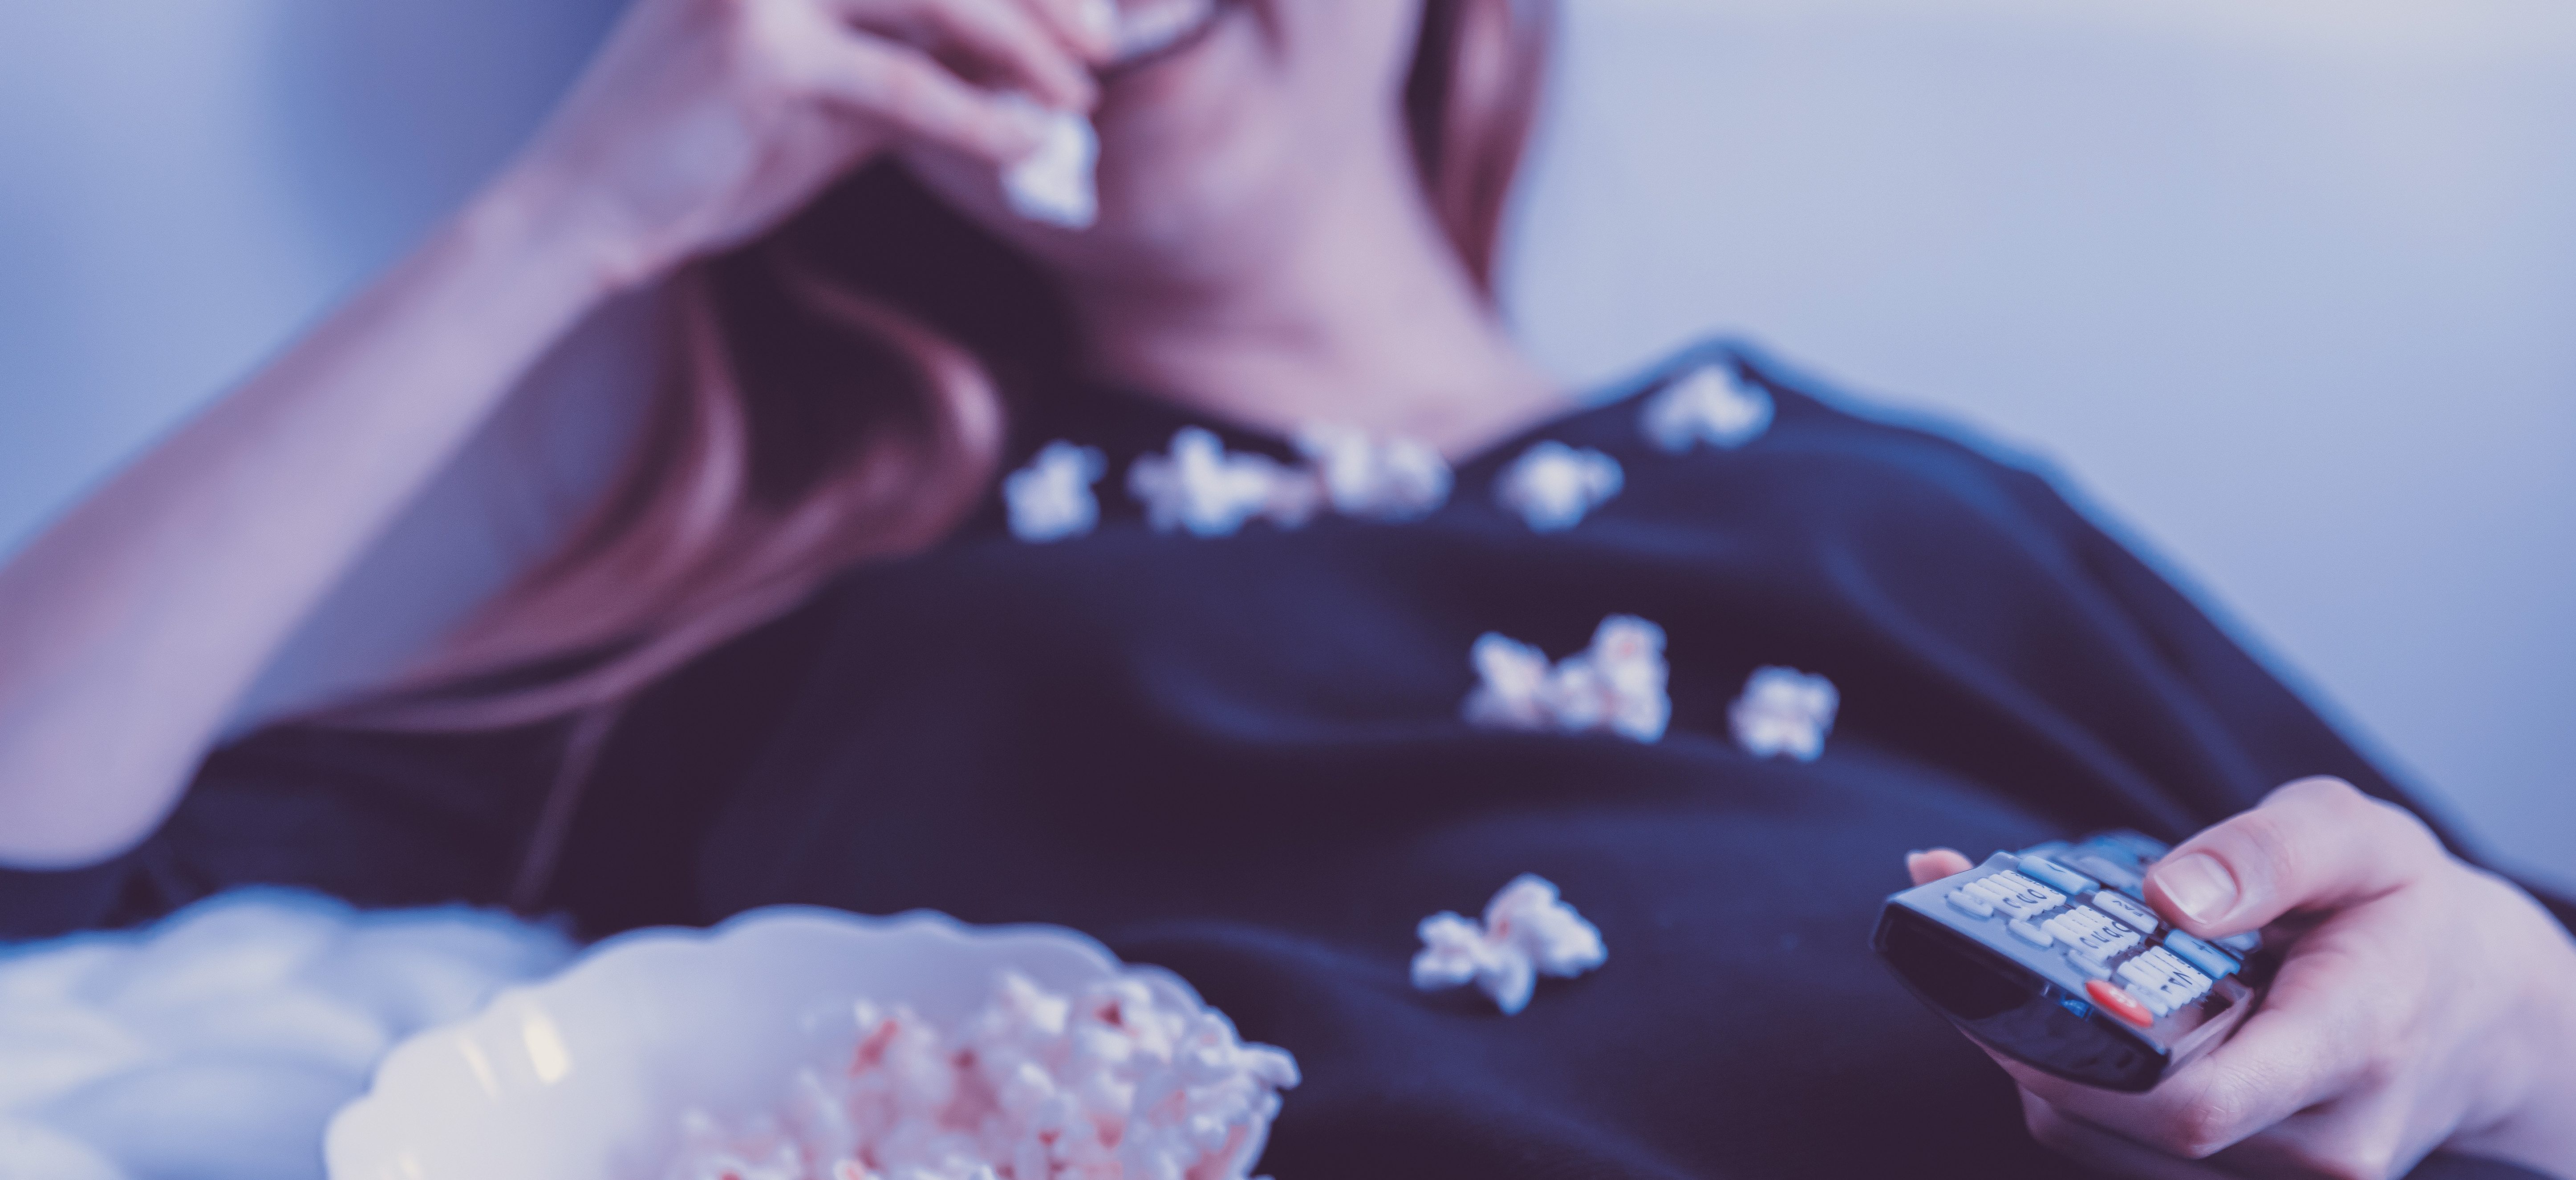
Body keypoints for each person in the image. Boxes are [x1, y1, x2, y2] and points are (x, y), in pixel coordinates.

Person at [0, 0, 2570, 1174]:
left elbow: (2503, 978)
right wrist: (572, 210)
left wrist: (2510, 1025)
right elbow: (30, 847)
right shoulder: (830, 618)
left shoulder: (1895, 505)